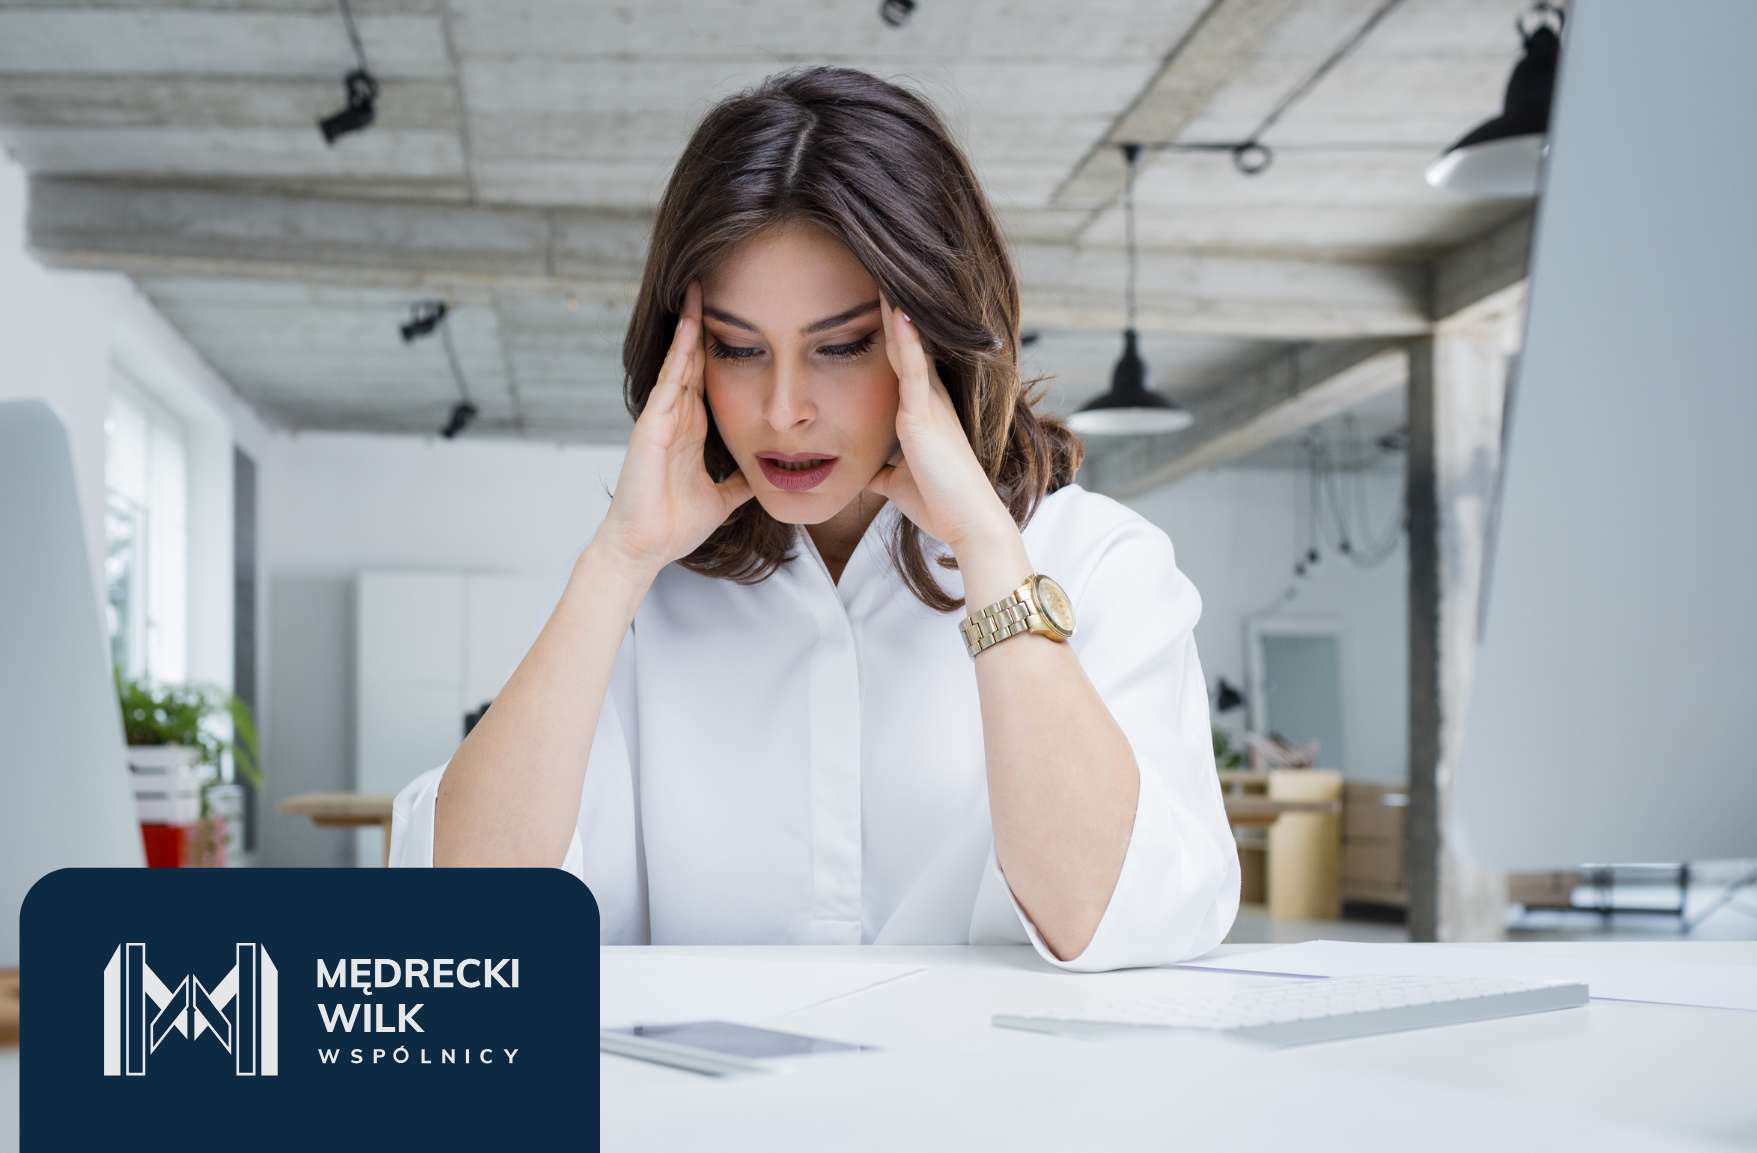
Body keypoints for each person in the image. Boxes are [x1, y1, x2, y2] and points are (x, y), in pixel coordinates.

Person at [390, 66, 1239, 972]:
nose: (783, 408)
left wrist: (990, 551)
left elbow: (1114, 918)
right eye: (737, 348)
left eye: (840, 346)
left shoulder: (1097, 561)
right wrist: (616, 564)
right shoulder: (648, 599)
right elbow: (462, 927)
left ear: (939, 337)